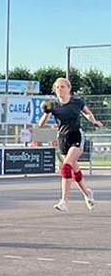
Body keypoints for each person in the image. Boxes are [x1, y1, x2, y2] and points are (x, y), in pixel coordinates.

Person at [42, 77, 101, 211]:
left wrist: (94, 121)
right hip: (62, 139)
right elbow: (41, 124)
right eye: (57, 87)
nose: (60, 89)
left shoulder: (77, 102)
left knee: (65, 167)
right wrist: (46, 113)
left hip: (76, 136)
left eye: (63, 86)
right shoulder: (53, 106)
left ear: (69, 89)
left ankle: (64, 201)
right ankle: (88, 194)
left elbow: (87, 113)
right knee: (74, 171)